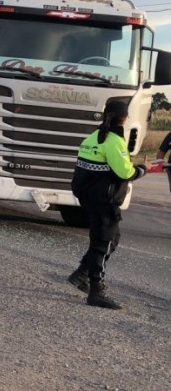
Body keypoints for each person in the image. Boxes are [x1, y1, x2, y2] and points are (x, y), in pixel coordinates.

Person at [68, 100, 154, 309]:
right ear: (124, 119)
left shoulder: (92, 137)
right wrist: (144, 168)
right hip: (104, 199)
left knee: (111, 238)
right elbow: (125, 173)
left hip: (89, 196)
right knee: (103, 241)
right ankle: (96, 290)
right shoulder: (114, 141)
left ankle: (81, 274)